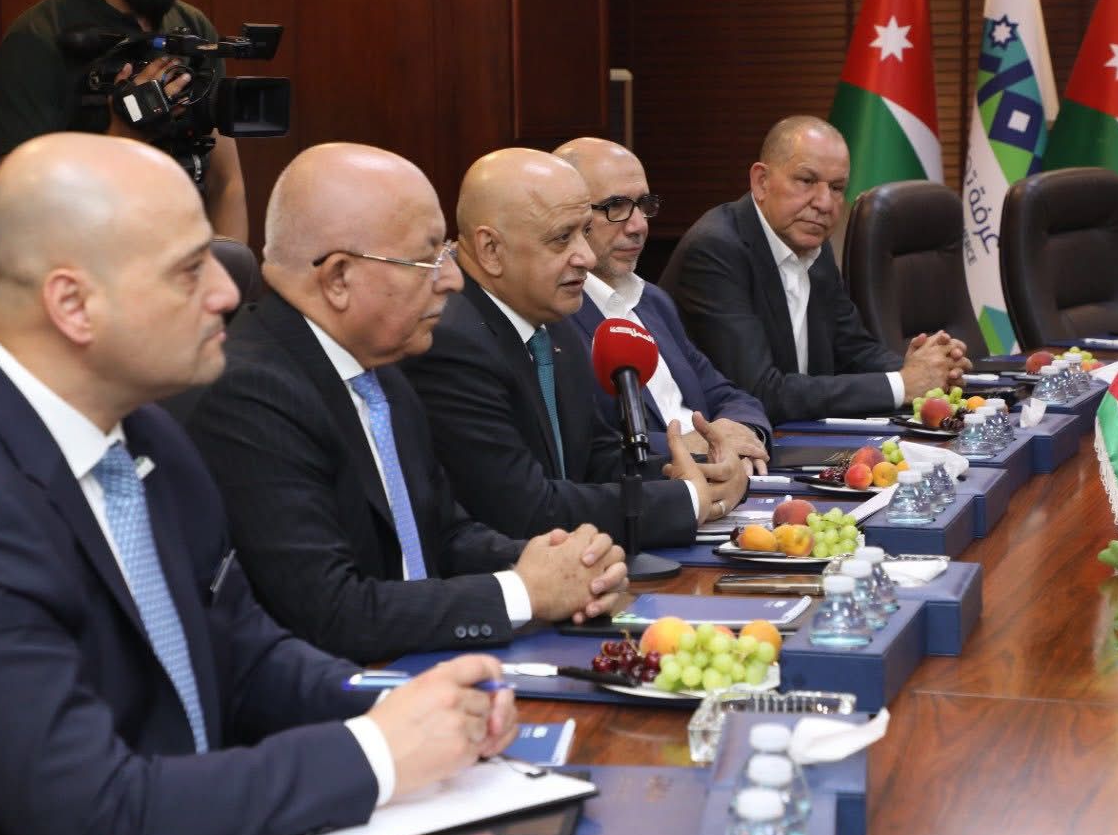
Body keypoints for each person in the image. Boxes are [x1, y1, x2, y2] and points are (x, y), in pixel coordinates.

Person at [0, 133, 514, 835]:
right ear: (73, 305)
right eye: (189, 270)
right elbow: (98, 823)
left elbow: (244, 657)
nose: (226, 291)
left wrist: (405, 704)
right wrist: (378, 752)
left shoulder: (144, 437)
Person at [182, 144, 629, 662]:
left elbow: (442, 533)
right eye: (428, 259)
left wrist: (555, 561)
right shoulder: (251, 393)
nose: (452, 279)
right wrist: (522, 592)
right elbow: (329, 612)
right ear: (339, 278)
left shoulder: (382, 368)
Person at [401, 148, 748, 547]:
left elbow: (598, 461)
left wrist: (708, 474)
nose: (585, 256)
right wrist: (686, 500)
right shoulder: (451, 342)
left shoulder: (553, 320)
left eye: (584, 232)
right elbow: (523, 511)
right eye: (562, 238)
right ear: (491, 250)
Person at [0, 0, 248, 241]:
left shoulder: (194, 29)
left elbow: (227, 182)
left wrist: (229, 272)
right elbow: (25, 212)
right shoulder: (37, 40)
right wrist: (123, 136)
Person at [660, 115, 970, 423]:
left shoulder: (811, 244)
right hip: (727, 442)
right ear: (761, 182)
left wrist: (923, 367)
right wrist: (903, 384)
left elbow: (853, 350)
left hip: (801, 432)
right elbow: (758, 393)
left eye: (836, 187)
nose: (824, 203)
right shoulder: (716, 250)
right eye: (806, 181)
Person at [555, 137, 772, 475]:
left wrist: (743, 432)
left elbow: (726, 394)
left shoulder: (653, 301)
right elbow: (589, 447)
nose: (639, 225)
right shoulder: (557, 317)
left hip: (729, 476)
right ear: (570, 217)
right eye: (616, 206)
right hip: (660, 487)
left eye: (644, 204)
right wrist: (691, 445)